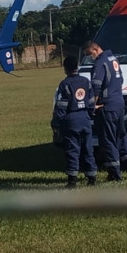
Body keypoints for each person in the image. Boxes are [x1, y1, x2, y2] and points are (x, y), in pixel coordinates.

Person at [82, 41, 127, 181]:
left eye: (88, 55)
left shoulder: (100, 63)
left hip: (107, 106)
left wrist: (92, 106)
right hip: (119, 103)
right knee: (121, 136)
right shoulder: (113, 59)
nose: (89, 58)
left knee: (108, 139)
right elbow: (120, 79)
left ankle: (114, 173)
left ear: (95, 50)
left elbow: (96, 87)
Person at [51, 56, 98, 189]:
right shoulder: (86, 81)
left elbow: (61, 106)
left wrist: (57, 121)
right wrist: (89, 115)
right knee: (88, 149)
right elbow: (91, 103)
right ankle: (92, 177)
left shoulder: (65, 84)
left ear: (65, 69)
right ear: (77, 66)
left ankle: (72, 180)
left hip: (71, 120)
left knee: (72, 150)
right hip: (86, 119)